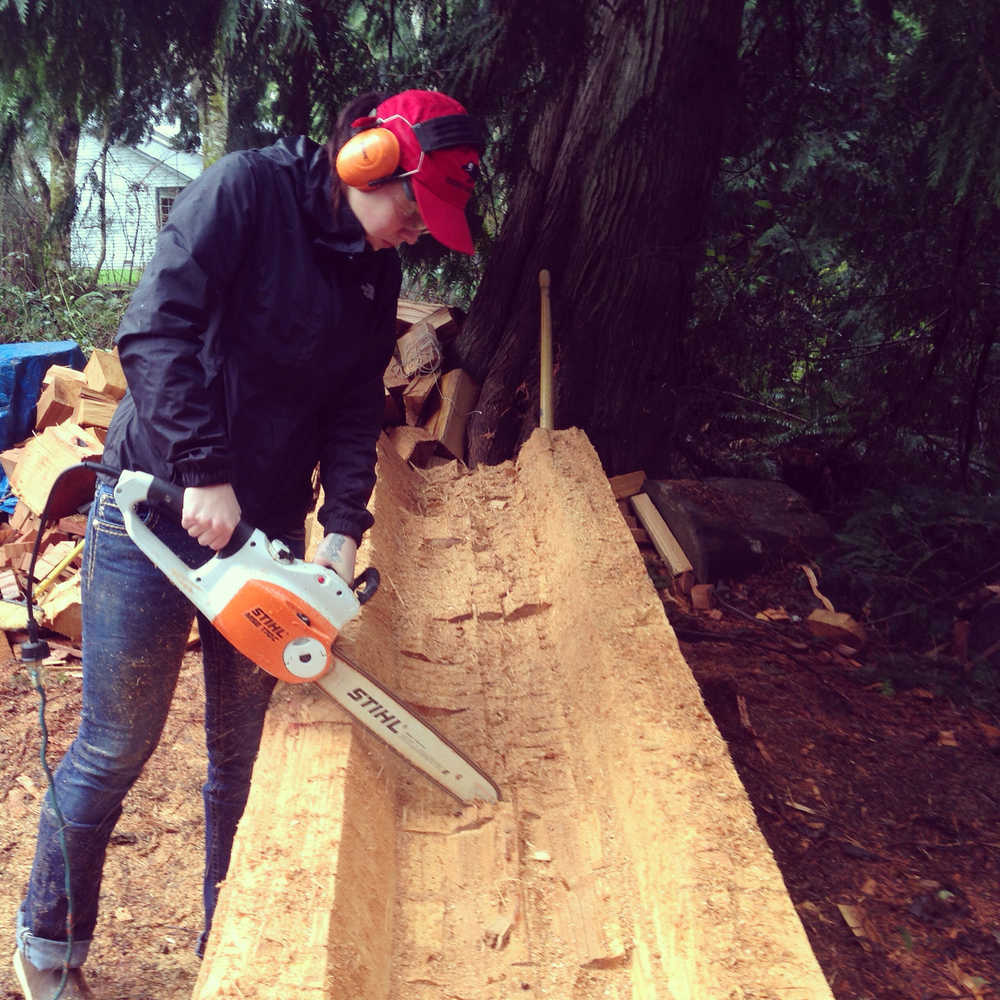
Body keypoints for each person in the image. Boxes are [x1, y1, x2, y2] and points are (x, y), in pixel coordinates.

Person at [13, 88, 484, 1000]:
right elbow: (153, 330)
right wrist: (202, 468)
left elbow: (355, 405)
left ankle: (231, 955)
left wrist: (343, 530)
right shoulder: (242, 195)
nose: (415, 234)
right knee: (115, 746)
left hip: (263, 531)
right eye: (412, 210)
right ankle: (47, 946)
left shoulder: (374, 270)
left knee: (245, 760)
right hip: (155, 514)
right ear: (369, 162)